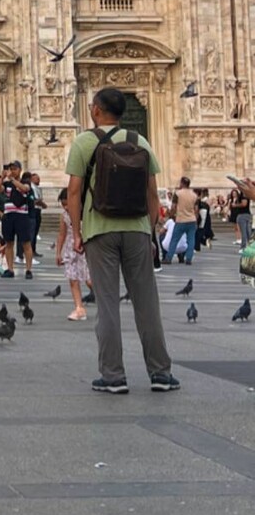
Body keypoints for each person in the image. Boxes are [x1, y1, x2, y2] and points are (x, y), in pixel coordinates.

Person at [64, 85, 177, 394]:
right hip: (137, 229)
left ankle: (113, 376)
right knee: (147, 304)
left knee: (108, 304)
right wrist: (150, 232)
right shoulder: (140, 141)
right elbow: (152, 193)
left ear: (96, 110)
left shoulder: (84, 142)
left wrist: (77, 232)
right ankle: (161, 373)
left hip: (100, 230)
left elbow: (73, 191)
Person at [55, 185, 91, 320]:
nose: (65, 207)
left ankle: (105, 302)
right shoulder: (64, 216)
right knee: (73, 279)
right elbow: (61, 235)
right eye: (63, 204)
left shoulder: (86, 214)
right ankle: (79, 307)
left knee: (90, 280)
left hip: (85, 249)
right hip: (71, 250)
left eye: (67, 204)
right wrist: (58, 252)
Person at [0, 161, 35, 278]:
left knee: (26, 243)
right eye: (11, 169)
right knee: (9, 242)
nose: (12, 171)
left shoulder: (25, 182)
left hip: (21, 215)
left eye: (15, 169)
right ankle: (10, 269)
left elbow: (24, 189)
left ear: (20, 170)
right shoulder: (7, 184)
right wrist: (2, 178)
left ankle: (28, 270)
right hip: (8, 215)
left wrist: (12, 180)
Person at [162, 176, 198, 265]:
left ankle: (169, 258)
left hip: (180, 219)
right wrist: (196, 219)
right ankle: (189, 259)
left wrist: (172, 215)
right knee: (191, 240)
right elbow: (196, 209)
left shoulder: (178, 194)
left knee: (174, 239)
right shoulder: (194, 195)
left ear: (182, 183)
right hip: (191, 220)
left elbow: (173, 207)